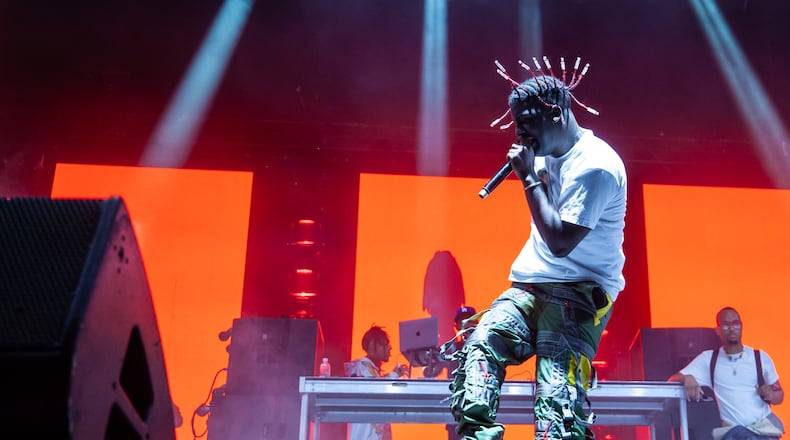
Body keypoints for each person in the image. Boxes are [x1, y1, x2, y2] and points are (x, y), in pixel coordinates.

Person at [449, 57, 627, 440]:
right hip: (529, 287)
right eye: (518, 126)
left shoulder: (596, 167)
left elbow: (561, 242)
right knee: (480, 347)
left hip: (579, 294)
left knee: (556, 406)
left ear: (559, 115)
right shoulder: (548, 149)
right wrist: (535, 172)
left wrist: (529, 176)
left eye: (529, 124)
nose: (522, 135)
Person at [669, 307, 784, 440]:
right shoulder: (709, 359)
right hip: (733, 434)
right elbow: (672, 379)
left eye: (735, 323)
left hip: (762, 433)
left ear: (741, 326)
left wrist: (771, 394)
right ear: (718, 330)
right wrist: (687, 377)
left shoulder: (760, 357)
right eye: (725, 325)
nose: (731, 328)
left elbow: (779, 395)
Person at [345, 325, 408, 440]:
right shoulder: (361, 366)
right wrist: (394, 375)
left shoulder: (370, 370)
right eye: (384, 344)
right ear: (371, 346)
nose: (389, 348)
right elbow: (376, 389)